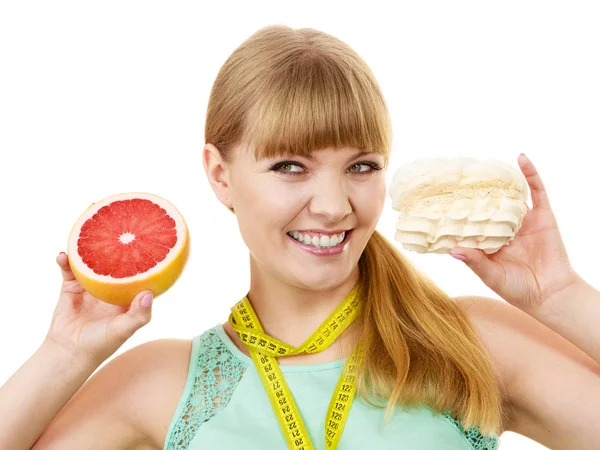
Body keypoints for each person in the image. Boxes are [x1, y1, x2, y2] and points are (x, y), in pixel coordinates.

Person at [1, 24, 599, 450]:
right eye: (290, 166)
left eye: (361, 166)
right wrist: (63, 355)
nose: (336, 205)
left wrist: (559, 296)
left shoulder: (470, 345)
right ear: (220, 174)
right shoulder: (162, 383)